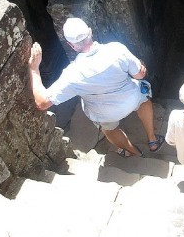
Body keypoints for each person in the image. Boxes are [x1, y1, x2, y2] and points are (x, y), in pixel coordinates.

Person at [28, 17, 165, 157]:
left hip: (104, 114)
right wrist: (141, 67)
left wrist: (34, 70)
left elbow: (42, 103)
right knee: (143, 92)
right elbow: (140, 75)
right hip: (131, 99)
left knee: (109, 129)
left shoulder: (72, 74)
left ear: (71, 45)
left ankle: (134, 153)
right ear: (90, 32)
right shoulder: (116, 50)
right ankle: (152, 140)